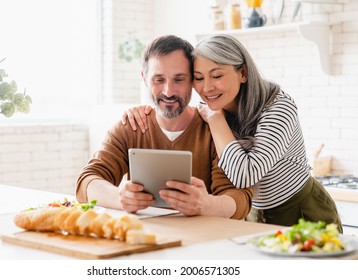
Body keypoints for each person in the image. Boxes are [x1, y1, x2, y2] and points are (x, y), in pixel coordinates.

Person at [122, 34, 343, 232]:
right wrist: (143, 111)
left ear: (243, 73)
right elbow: (175, 114)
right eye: (198, 78)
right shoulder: (214, 107)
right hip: (253, 215)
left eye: (217, 76)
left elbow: (244, 175)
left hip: (302, 210)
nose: (207, 88)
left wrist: (216, 120)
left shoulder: (278, 106)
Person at [75, 35, 253, 219]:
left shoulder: (216, 130)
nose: (168, 92)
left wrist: (206, 204)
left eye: (179, 79)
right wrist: (120, 198)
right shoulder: (131, 127)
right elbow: (86, 181)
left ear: (193, 80)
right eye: (158, 80)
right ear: (144, 79)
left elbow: (240, 199)